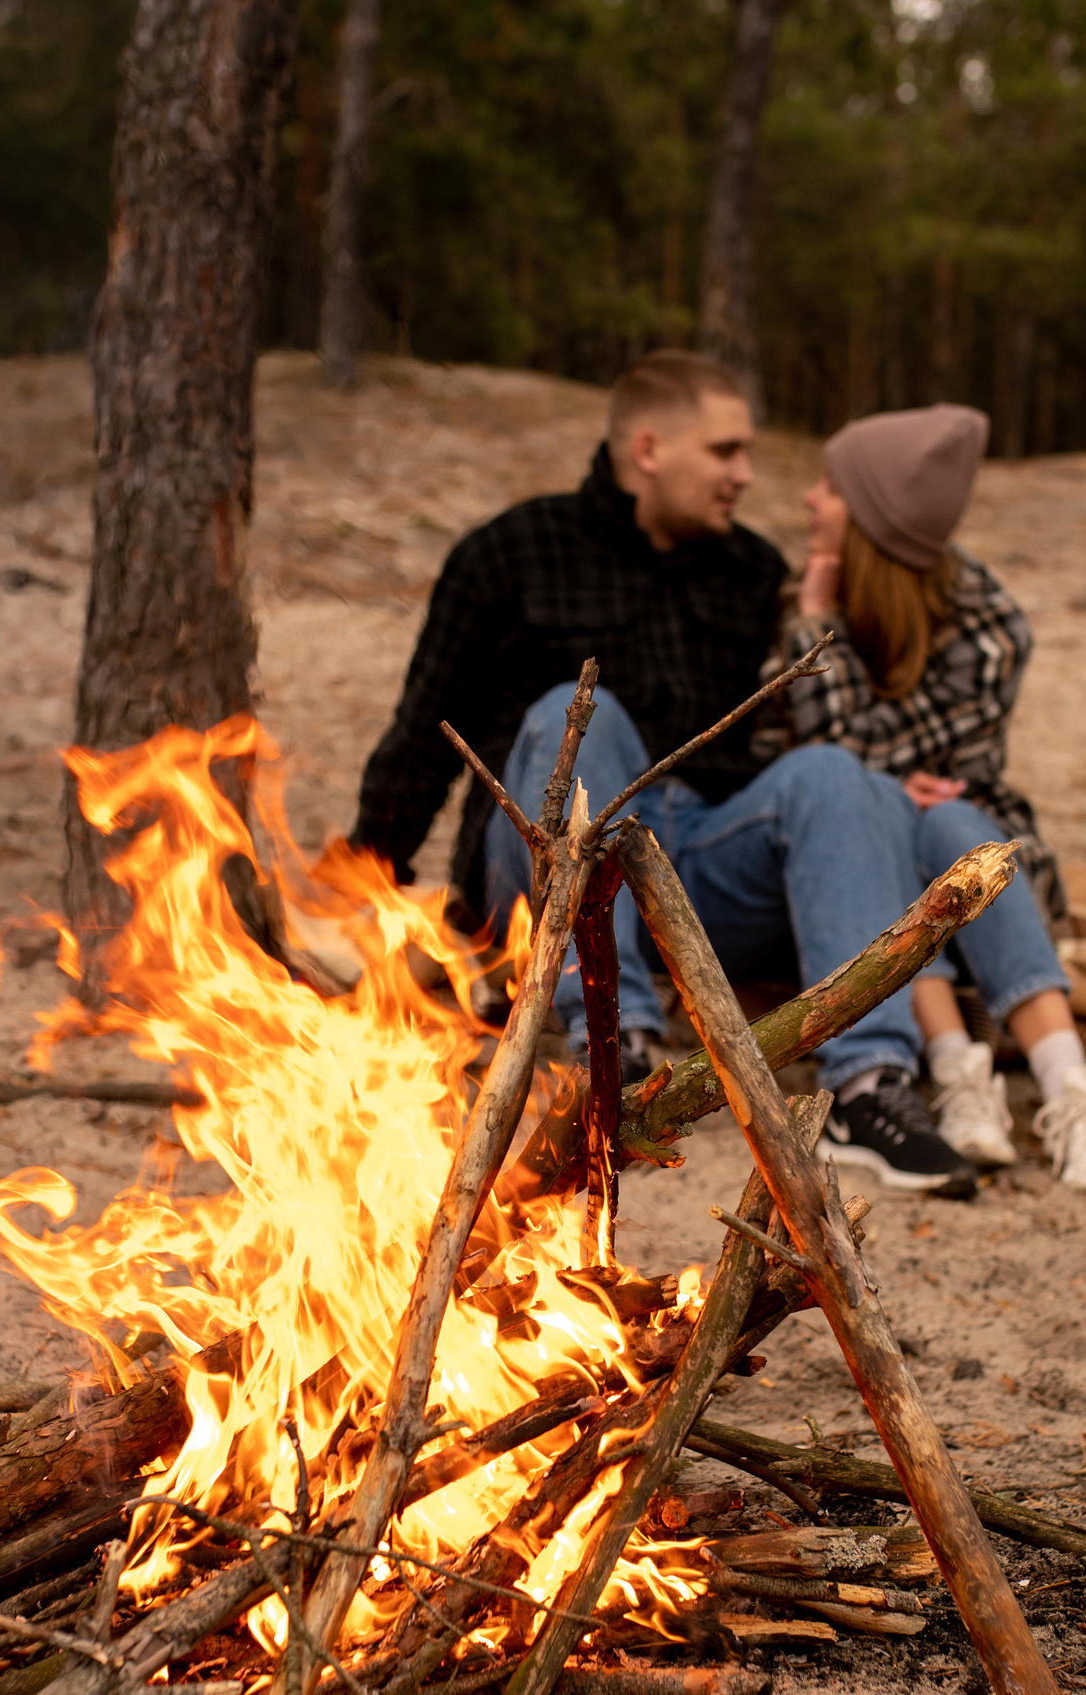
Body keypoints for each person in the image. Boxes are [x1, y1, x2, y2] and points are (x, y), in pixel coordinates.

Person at [349, 351, 983, 1199]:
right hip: (540, 868)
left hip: (696, 870)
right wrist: (363, 881)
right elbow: (424, 736)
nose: (747, 476)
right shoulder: (508, 554)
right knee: (584, 713)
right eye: (725, 452)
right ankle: (614, 1048)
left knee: (831, 772)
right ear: (648, 448)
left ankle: (873, 1084)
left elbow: (838, 712)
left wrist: (900, 790)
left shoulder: (754, 572)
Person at [773, 403, 1086, 1196]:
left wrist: (885, 772)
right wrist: (814, 617)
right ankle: (957, 1074)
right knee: (885, 811)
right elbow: (824, 766)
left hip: (967, 832)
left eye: (832, 487)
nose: (809, 499)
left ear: (876, 518)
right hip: (866, 860)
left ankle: (1074, 1093)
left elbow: (866, 747)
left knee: (947, 821)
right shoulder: (803, 594)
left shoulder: (989, 625)